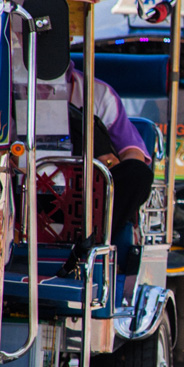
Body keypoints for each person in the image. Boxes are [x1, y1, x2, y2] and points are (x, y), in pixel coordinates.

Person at [63, 62, 154, 244]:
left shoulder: (99, 93)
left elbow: (132, 152)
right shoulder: (0, 87)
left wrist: (108, 161)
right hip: (26, 186)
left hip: (87, 193)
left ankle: (94, 241)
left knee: (137, 173)